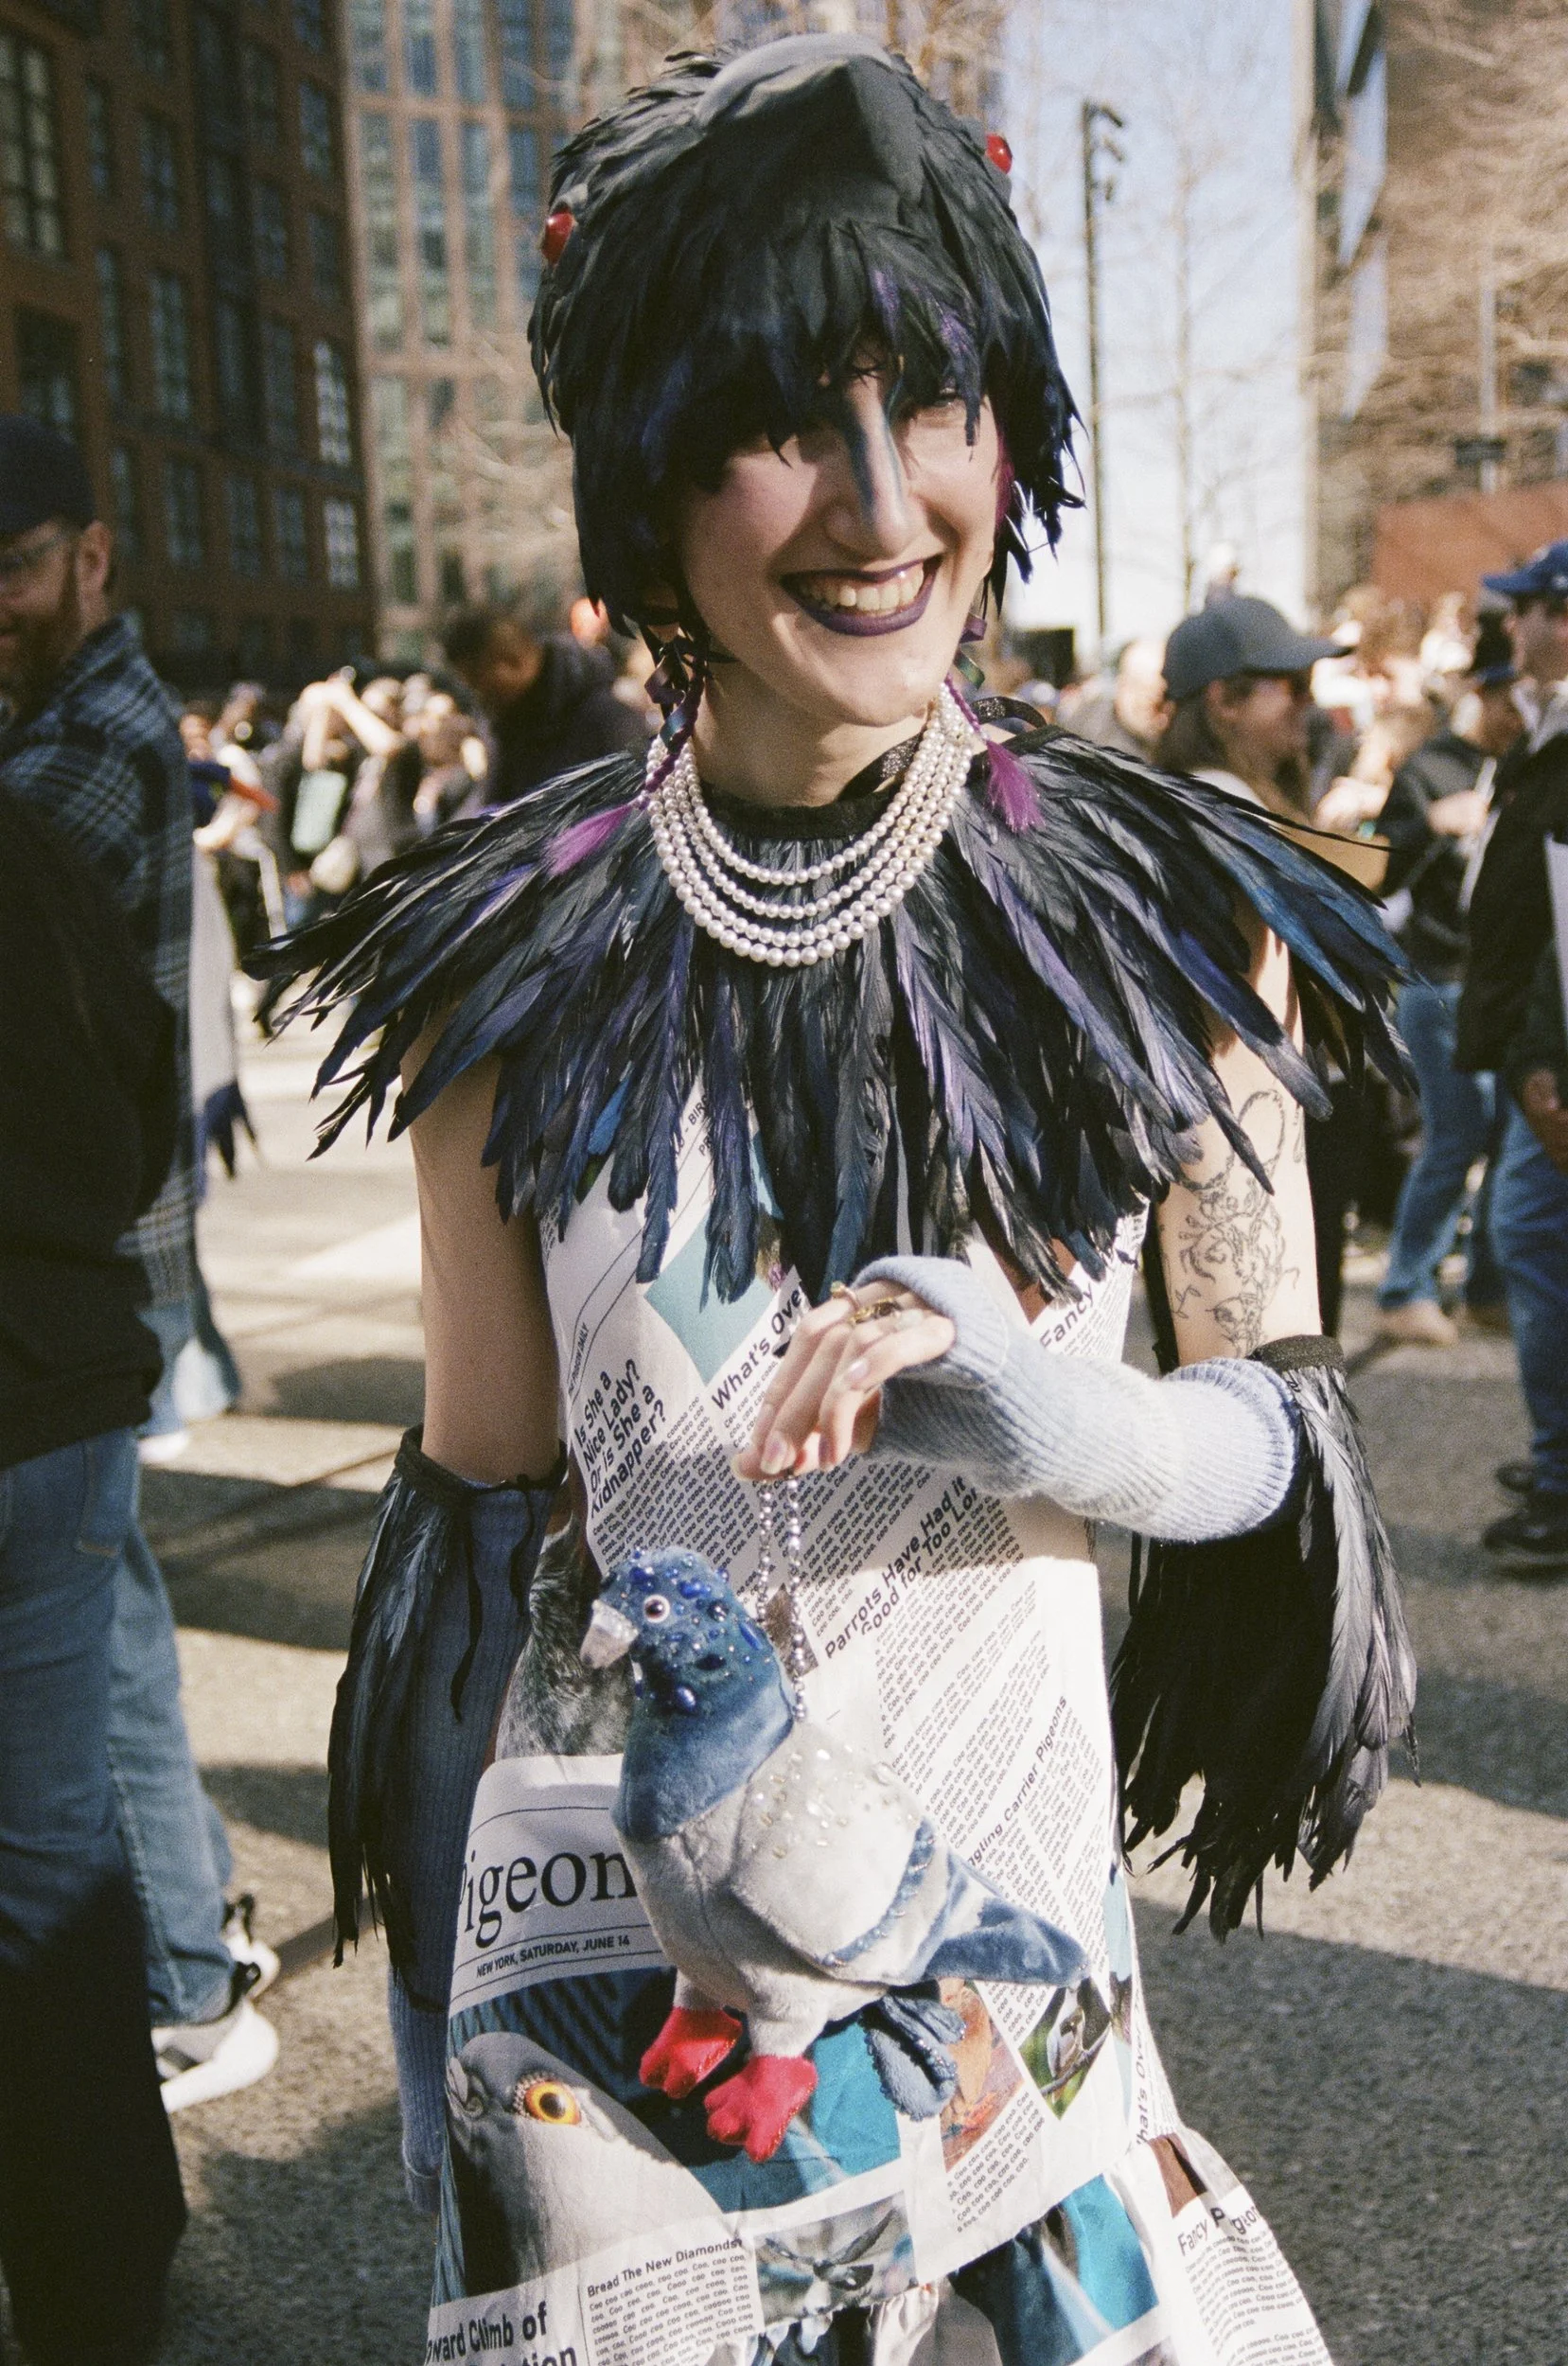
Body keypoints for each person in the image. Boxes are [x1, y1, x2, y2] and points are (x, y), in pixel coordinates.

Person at [261, 39, 1411, 2360]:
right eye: (790, 417)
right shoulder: (505, 980)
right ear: (649, 481)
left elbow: (1280, 1447)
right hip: (642, 2055)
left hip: (1022, 2055)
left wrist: (1027, 1410)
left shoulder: (1166, 929)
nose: (886, 506)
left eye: (941, 401)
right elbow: (477, 1529)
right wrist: (430, 2005)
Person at [0, 415, 276, 2102]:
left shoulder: (72, 757)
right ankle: (187, 1950)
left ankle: (180, 1978)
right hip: (107, 1260)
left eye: (17, 569)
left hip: (85, 1266)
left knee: (91, 1633)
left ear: (92, 560)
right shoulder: (80, 723)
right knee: (112, 1611)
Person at [0, 785, 187, 2366]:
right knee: (51, 1862)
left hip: (45, 1400)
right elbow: (148, 1077)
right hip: (58, 1397)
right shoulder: (32, 843)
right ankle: (104, 2270)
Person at [1156, 596, 1379, 1333]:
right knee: (1277, 1375)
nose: (1306, 710)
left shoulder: (1223, 803)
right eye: (1291, 688)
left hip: (1257, 1126)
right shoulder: (1220, 814)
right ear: (1222, 700)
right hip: (1256, 1132)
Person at [1458, 542, 1568, 1567]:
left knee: (1530, 1233)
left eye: (1529, 606)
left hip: (1556, 1051)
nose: (1514, 626)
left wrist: (1541, 1053)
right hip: (1538, 1040)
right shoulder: (1544, 727)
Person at [1372, 629, 1523, 1345]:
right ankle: (1407, 1286)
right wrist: (1430, 824)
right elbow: (1382, 873)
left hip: (1498, 980)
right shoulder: (1429, 767)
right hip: (1435, 979)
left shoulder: (1525, 763)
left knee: (1506, 1133)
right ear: (1484, 695)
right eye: (1510, 699)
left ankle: (1487, 1286)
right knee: (1455, 1133)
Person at [441, 581, 649, 802]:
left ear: (512, 661)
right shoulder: (504, 726)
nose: (478, 694)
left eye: (477, 681)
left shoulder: (606, 718)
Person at [1061, 634, 1167, 759]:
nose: (1155, 705)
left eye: (1165, 694)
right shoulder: (1095, 743)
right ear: (1121, 686)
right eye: (1144, 689)